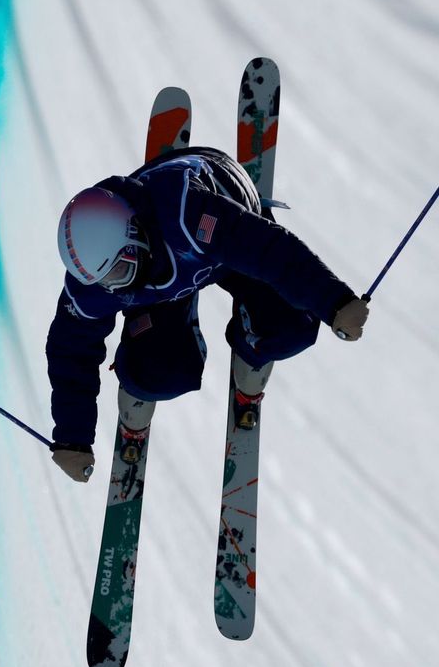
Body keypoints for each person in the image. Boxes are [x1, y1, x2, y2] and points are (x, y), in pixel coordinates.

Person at [45, 146, 369, 482]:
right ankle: (140, 382)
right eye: (107, 282)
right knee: (157, 374)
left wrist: (334, 302)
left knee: (293, 327)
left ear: (134, 234)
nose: (117, 288)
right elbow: (70, 351)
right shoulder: (95, 281)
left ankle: (252, 350)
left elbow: (270, 251)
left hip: (225, 247)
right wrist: (73, 436)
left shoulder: (188, 215)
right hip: (169, 281)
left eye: (121, 272)